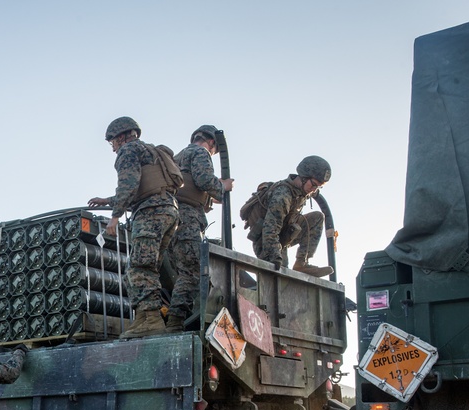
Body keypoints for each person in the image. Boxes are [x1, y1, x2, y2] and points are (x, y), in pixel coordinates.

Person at [88, 116, 179, 339]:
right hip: (168, 210)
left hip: (150, 214)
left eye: (112, 143)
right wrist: (108, 200)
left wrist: (115, 216)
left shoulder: (128, 151)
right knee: (149, 268)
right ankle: (143, 318)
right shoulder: (150, 151)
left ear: (121, 137)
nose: (113, 149)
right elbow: (145, 185)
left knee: (138, 268)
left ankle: (151, 320)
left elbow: (129, 184)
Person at [166, 125, 234, 333]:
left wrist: (209, 198)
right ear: (212, 143)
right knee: (193, 271)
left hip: (172, 220)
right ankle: (175, 321)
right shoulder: (200, 152)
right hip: (188, 220)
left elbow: (189, 186)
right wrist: (223, 186)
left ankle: (175, 318)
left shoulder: (178, 157)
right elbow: (205, 180)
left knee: (183, 271)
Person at [248, 156, 334, 277]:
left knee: (317, 218)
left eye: (318, 187)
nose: (314, 190)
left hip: (283, 235)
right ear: (303, 178)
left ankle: (301, 263)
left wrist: (314, 187)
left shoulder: (301, 191)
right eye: (314, 185)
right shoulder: (283, 195)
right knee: (281, 274)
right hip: (266, 242)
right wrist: (275, 257)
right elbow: (270, 229)